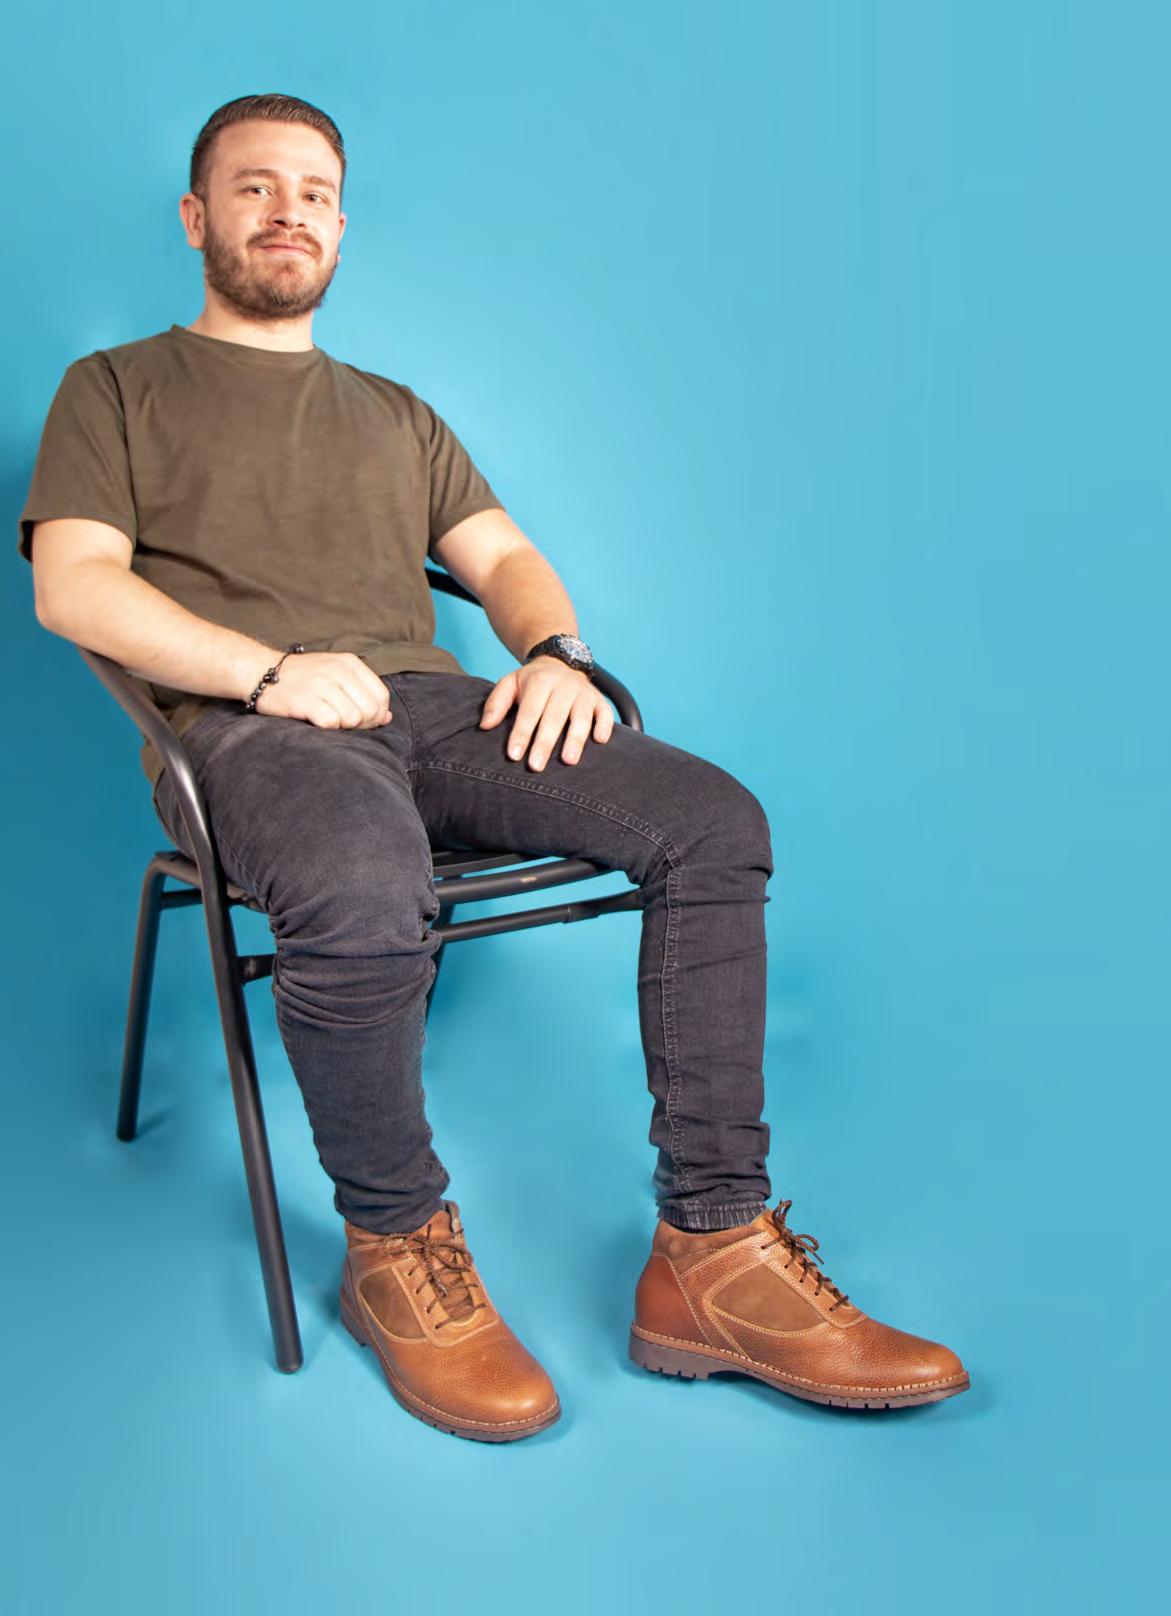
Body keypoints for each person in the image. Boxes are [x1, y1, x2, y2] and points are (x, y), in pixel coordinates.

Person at [17, 93, 970, 1441]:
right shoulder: (115, 387)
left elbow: (504, 556)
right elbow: (74, 586)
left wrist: (556, 654)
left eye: (314, 191)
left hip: (429, 710)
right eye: (254, 186)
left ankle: (713, 1254)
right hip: (248, 724)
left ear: (341, 225)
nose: (289, 210)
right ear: (195, 218)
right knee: (360, 883)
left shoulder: (395, 411)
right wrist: (269, 673)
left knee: (713, 822)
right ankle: (396, 1245)